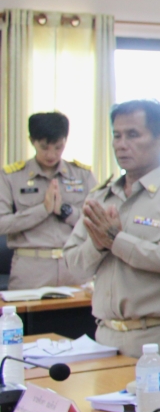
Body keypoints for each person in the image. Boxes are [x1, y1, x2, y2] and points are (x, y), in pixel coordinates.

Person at [62, 101, 160, 369]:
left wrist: (118, 241)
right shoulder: (101, 196)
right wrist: (99, 245)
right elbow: (74, 266)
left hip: (157, 336)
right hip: (105, 336)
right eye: (117, 135)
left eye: (133, 135)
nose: (121, 144)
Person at [1, 112, 96, 290]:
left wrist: (65, 211)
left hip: (75, 267)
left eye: (58, 147)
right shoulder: (11, 177)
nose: (51, 154)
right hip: (31, 270)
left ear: (65, 141)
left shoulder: (82, 175)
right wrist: (43, 210)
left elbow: (97, 221)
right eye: (44, 147)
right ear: (32, 141)